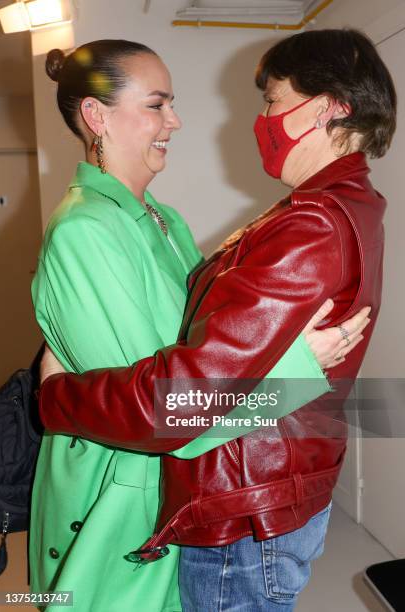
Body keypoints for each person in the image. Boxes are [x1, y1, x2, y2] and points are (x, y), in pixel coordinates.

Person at [32, 33, 376, 612]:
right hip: (122, 499)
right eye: (156, 105)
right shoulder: (84, 231)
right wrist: (295, 371)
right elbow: (176, 413)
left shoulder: (162, 218)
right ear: (97, 116)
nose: (176, 121)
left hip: (172, 490)